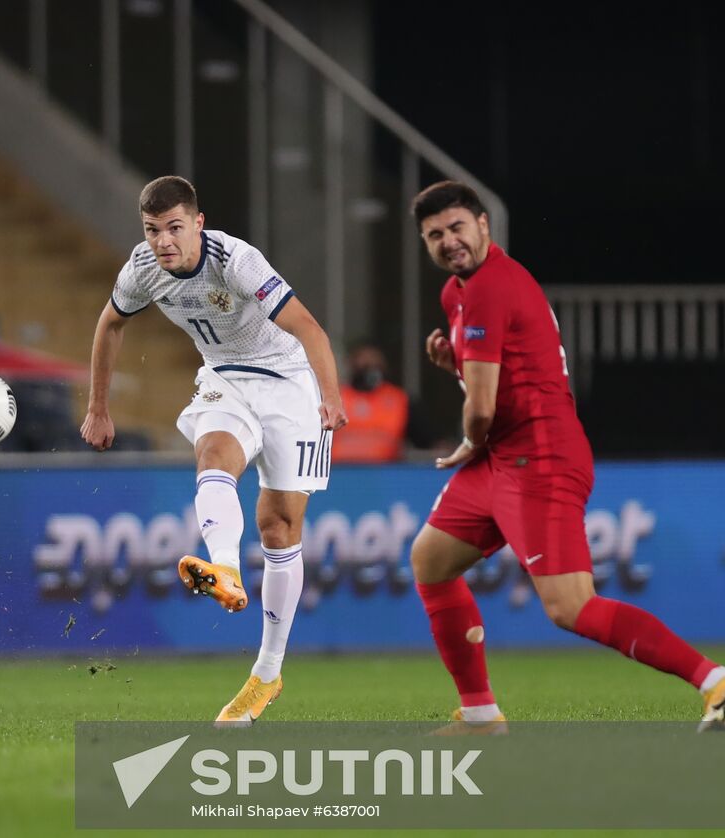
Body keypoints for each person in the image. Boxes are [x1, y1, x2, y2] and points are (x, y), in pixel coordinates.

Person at [408, 180, 725, 734]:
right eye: (434, 234)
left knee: (570, 607)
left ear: (484, 226)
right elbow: (498, 369)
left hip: (539, 454)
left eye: (457, 227)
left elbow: (480, 410)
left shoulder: (488, 286)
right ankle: (481, 713)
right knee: (431, 562)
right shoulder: (458, 293)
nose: (448, 241)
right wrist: (453, 360)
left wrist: (466, 441)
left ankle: (714, 680)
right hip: (504, 453)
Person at [80, 175, 347, 728]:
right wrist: (98, 408)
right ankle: (224, 569)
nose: (163, 241)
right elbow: (110, 325)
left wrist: (332, 398)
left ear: (197, 223)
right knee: (213, 458)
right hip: (225, 376)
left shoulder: (237, 261)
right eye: (153, 230)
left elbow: (310, 329)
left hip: (289, 378)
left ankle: (267, 675)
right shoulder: (142, 268)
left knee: (278, 525)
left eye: (174, 228)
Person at [332, 342, 409, 464]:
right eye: (364, 361)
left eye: (374, 360)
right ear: (351, 362)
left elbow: (424, 438)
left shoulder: (397, 399)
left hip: (386, 473)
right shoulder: (334, 397)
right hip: (337, 472)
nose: (370, 366)